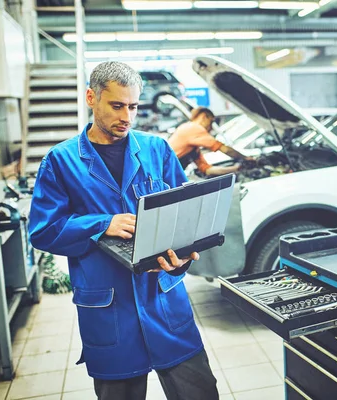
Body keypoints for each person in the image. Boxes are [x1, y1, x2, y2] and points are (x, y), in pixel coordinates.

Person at [28, 61, 219, 400]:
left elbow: (184, 214)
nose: (127, 117)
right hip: (110, 307)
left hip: (163, 299)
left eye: (132, 106)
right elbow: (44, 231)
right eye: (117, 105)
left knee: (200, 392)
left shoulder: (156, 150)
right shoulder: (61, 161)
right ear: (92, 97)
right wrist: (102, 224)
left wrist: (185, 253)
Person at [168, 107, 252, 176]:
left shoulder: (193, 147)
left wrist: (235, 169)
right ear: (204, 117)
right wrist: (246, 158)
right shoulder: (194, 128)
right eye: (211, 122)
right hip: (162, 172)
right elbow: (225, 149)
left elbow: (207, 170)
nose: (211, 128)